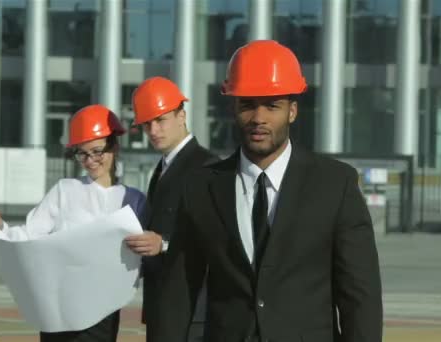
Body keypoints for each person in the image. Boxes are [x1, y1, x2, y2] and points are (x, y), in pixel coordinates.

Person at [150, 40, 383, 342]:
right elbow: (178, 291)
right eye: (248, 104)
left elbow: (360, 295)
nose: (258, 118)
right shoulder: (200, 187)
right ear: (234, 107)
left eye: (272, 105)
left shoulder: (335, 185)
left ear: (292, 111)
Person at [0, 104, 146, 342]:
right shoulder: (65, 190)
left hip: (103, 311)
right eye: (82, 153)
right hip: (58, 309)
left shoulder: (135, 200)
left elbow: (142, 255)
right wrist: (0, 227)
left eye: (97, 151)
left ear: (115, 147)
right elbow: (31, 234)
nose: (90, 160)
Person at [123, 77, 217, 341]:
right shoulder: (165, 167)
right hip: (165, 308)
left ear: (182, 116)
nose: (153, 130)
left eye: (161, 120)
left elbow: (216, 235)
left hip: (190, 312)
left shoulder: (206, 167)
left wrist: (164, 244)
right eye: (147, 124)